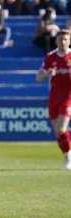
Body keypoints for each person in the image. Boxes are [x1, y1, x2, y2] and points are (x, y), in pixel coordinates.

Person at [36, 29, 71, 170]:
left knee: (61, 128)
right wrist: (47, 74)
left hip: (68, 97)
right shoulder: (50, 57)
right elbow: (38, 77)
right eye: (60, 39)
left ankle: (69, 157)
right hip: (54, 98)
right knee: (58, 132)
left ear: (69, 41)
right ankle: (67, 154)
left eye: (65, 39)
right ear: (56, 41)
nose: (62, 42)